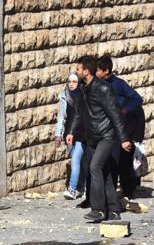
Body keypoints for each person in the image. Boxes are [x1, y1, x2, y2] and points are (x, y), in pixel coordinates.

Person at [66, 56, 132, 222]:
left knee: (95, 167)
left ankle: (98, 209)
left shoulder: (103, 88)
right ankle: (114, 209)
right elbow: (79, 113)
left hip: (106, 135)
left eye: (79, 69)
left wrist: (123, 138)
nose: (76, 72)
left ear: (86, 72)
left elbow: (115, 114)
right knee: (106, 173)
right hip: (92, 137)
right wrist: (72, 131)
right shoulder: (81, 89)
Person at [96, 55, 145, 199]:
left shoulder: (119, 84)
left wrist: (124, 110)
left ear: (106, 71)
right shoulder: (96, 84)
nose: (95, 72)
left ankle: (127, 191)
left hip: (122, 129)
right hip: (106, 128)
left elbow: (137, 98)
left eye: (98, 70)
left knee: (122, 162)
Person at [54, 72, 86, 200]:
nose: (71, 84)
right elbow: (62, 116)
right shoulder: (64, 96)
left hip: (82, 132)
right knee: (77, 160)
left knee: (76, 160)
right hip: (69, 133)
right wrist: (58, 135)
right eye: (69, 81)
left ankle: (72, 188)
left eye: (74, 82)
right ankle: (82, 186)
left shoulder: (83, 95)